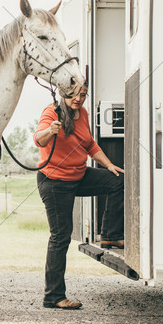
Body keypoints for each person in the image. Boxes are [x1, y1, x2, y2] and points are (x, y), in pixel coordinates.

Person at [33, 86, 124, 309]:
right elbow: (39, 139)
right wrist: (50, 131)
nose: (78, 99)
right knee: (60, 236)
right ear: (64, 93)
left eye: (83, 95)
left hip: (78, 175)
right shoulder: (52, 112)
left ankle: (110, 236)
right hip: (54, 182)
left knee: (118, 181)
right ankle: (53, 296)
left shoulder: (82, 113)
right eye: (74, 94)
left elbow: (90, 144)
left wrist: (109, 164)